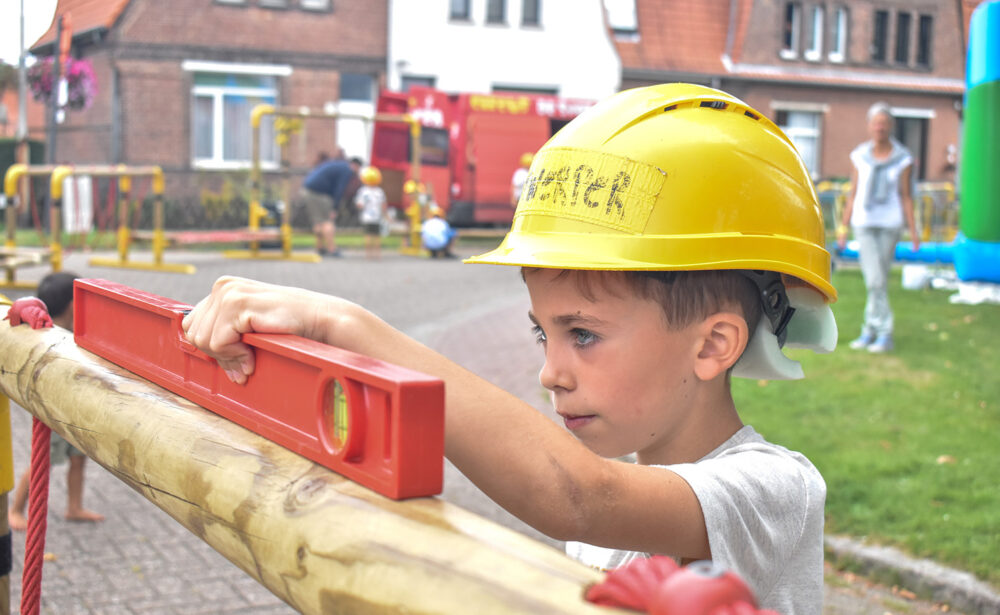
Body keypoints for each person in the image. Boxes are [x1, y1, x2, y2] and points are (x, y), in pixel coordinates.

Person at [181, 84, 838, 614]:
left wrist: (340, 321)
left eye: (582, 333)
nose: (550, 371)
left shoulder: (775, 490)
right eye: (542, 332)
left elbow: (579, 493)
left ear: (714, 343)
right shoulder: (599, 523)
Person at [9, 271, 105, 530]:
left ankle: (74, 506)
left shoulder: (76, 330)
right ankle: (16, 510)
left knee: (78, 458)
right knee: (42, 463)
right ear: (75, 305)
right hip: (52, 412)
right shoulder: (49, 334)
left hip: (75, 410)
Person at [838, 102, 920, 353]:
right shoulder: (859, 156)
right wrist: (843, 227)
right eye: (876, 123)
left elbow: (906, 196)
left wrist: (914, 230)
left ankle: (871, 331)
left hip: (889, 224)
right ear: (869, 126)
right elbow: (853, 193)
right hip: (863, 223)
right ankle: (882, 332)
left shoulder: (903, 158)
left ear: (891, 126)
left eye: (884, 123)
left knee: (878, 280)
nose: (880, 127)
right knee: (874, 280)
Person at [300, 156, 362, 257]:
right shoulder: (347, 170)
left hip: (307, 190)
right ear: (355, 166)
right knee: (327, 221)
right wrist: (335, 208)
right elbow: (339, 190)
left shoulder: (338, 165)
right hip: (319, 193)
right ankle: (332, 249)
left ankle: (320, 248)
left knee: (318, 221)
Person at [355, 166, 388, 260]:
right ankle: (377, 254)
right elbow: (383, 205)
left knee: (368, 235)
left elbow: (359, 204)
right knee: (377, 236)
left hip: (367, 217)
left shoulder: (363, 191)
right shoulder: (379, 191)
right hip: (377, 217)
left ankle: (368, 254)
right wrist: (385, 215)